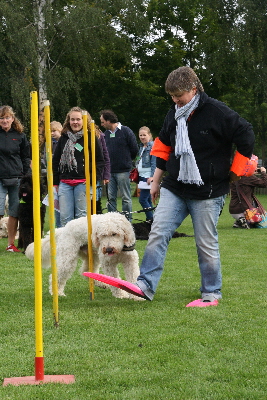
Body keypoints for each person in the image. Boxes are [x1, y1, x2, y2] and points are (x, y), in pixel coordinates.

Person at [131, 66, 254, 305]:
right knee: (157, 233)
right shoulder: (173, 114)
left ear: (193, 89)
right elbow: (163, 148)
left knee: (205, 242)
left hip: (208, 191)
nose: (175, 100)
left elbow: (246, 133)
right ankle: (145, 285)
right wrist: (155, 181)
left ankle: (211, 293)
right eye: (172, 96)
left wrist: (235, 172)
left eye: (179, 95)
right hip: (174, 186)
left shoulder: (217, 111)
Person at [52, 107, 105, 226]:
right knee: (65, 217)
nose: (75, 122)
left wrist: (93, 179)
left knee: (82, 217)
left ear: (84, 121)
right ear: (68, 121)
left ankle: (83, 244)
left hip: (83, 182)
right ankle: (66, 243)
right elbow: (55, 161)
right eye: (72, 119)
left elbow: (100, 160)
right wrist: (55, 182)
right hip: (65, 182)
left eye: (78, 119)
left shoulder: (90, 137)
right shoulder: (63, 138)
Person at [0, 105, 31, 252]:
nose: (4, 120)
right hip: (0, 178)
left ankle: (10, 244)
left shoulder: (20, 136)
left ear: (12, 119)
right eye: (1, 118)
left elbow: (26, 157)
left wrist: (25, 175)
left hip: (17, 178)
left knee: (14, 211)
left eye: (7, 117)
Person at [99, 109, 139, 220]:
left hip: (124, 171)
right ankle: (112, 221)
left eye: (102, 122)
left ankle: (127, 221)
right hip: (110, 172)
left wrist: (126, 161)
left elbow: (134, 149)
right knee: (111, 198)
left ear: (108, 121)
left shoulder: (126, 131)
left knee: (126, 197)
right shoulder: (105, 134)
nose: (101, 124)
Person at [136, 126, 156, 222]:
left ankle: (150, 218)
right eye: (140, 135)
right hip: (141, 176)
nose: (142, 137)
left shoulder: (152, 146)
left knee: (142, 199)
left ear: (149, 135)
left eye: (144, 135)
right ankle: (154, 218)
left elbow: (154, 163)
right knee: (147, 199)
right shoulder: (141, 147)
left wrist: (152, 176)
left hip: (147, 176)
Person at [50, 121, 63, 227]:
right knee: (56, 204)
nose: (52, 134)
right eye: (50, 132)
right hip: (55, 178)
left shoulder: (65, 141)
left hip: (64, 176)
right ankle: (58, 226)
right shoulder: (51, 144)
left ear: (60, 130)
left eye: (54, 131)